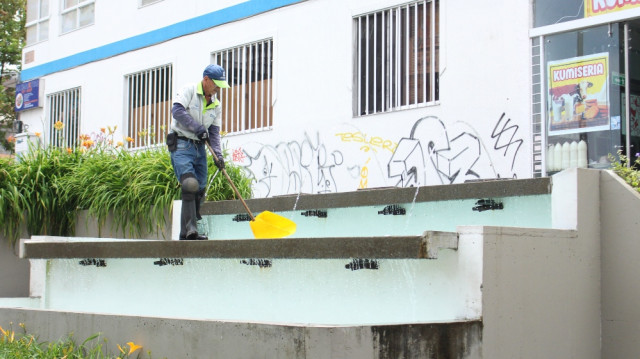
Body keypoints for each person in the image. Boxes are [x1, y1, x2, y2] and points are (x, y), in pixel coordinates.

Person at [167, 64, 229, 240]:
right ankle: (190, 230)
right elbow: (177, 111)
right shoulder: (189, 90)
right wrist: (196, 127)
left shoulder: (216, 105)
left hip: (199, 148)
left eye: (220, 86)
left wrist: (218, 156)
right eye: (215, 85)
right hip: (181, 144)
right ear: (206, 79)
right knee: (189, 184)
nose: (217, 89)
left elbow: (214, 134)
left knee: (199, 189)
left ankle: (185, 233)